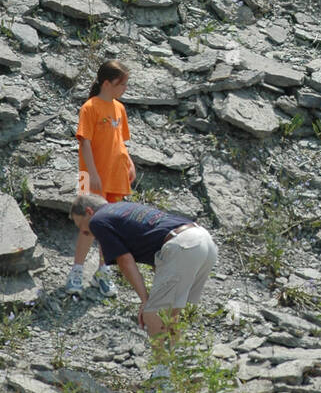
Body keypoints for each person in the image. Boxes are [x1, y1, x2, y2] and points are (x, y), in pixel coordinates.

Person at [68, 194, 218, 345]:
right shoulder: (123, 209)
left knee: (151, 312)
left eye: (84, 229)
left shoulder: (98, 220)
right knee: (171, 316)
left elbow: (125, 260)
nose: (88, 234)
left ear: (89, 211)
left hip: (182, 245)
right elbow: (158, 250)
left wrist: (145, 300)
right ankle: (175, 363)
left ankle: (162, 366)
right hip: (203, 241)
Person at [67, 60, 136, 297]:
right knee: (88, 227)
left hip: (115, 176)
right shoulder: (90, 107)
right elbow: (84, 141)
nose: (124, 88)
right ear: (107, 83)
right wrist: (93, 173)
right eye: (121, 84)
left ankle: (102, 272)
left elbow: (121, 143)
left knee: (110, 228)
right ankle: (76, 271)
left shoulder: (120, 108)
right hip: (91, 176)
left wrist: (129, 162)